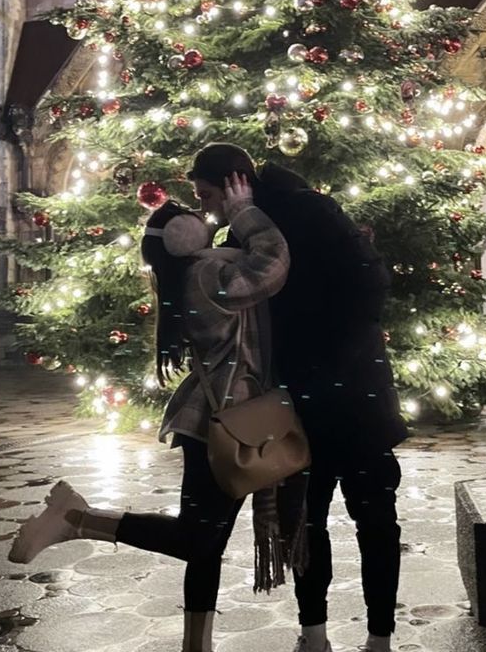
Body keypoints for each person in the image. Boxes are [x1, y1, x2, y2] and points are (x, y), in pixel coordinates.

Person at [7, 173, 307, 652]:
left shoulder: (189, 273)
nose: (204, 216)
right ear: (185, 236)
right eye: (196, 215)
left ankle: (196, 645)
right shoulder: (207, 274)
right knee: (197, 540)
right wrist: (246, 211)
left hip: (220, 419)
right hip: (222, 424)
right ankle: (80, 518)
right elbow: (271, 264)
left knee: (206, 544)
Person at [188, 143, 410, 652]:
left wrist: (315, 348)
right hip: (301, 402)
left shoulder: (307, 209)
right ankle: (314, 635)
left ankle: (379, 639)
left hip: (351, 396)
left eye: (207, 195)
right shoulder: (242, 231)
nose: (207, 208)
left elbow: (370, 285)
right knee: (305, 523)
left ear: (234, 182)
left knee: (372, 518)